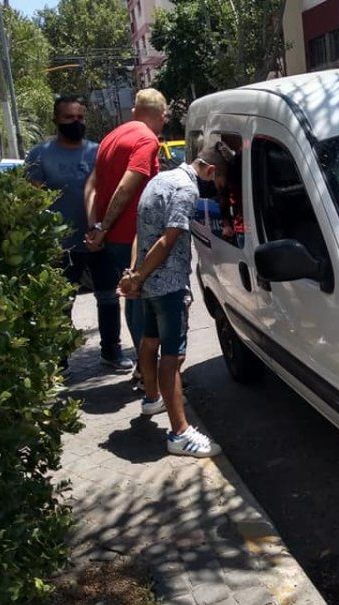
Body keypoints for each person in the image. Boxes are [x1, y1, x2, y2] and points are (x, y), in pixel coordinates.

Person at [117, 143, 226, 458]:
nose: (217, 191)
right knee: (173, 358)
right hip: (169, 285)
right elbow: (167, 240)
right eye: (218, 183)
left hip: (150, 284)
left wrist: (135, 274)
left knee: (149, 341)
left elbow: (141, 234)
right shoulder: (186, 191)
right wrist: (137, 277)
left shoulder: (160, 180)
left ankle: (152, 399)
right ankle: (180, 433)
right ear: (210, 170)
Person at [84, 88, 167, 371]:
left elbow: (91, 185)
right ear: (161, 115)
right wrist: (104, 226)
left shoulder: (111, 137)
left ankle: (145, 369)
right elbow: (127, 186)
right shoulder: (146, 139)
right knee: (143, 303)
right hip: (134, 236)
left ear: (134, 112)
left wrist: (96, 227)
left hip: (115, 238)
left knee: (132, 298)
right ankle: (149, 373)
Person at [24, 95, 101, 367]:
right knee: (61, 303)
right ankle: (60, 361)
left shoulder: (97, 151)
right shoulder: (39, 155)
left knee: (109, 299)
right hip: (60, 246)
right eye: (69, 117)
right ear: (56, 119)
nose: (75, 122)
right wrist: (45, 240)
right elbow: (31, 201)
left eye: (80, 117)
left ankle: (112, 351)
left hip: (98, 241)